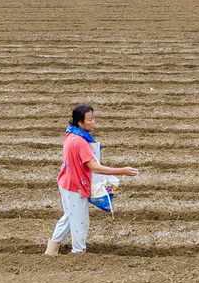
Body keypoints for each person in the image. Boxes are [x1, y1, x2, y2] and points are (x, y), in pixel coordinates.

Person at [45, 103, 139, 256]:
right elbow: (94, 167)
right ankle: (78, 252)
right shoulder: (81, 142)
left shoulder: (70, 134)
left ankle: (51, 250)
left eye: (93, 118)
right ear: (80, 123)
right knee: (80, 221)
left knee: (70, 217)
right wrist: (122, 171)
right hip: (75, 186)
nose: (93, 122)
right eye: (89, 119)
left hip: (66, 181)